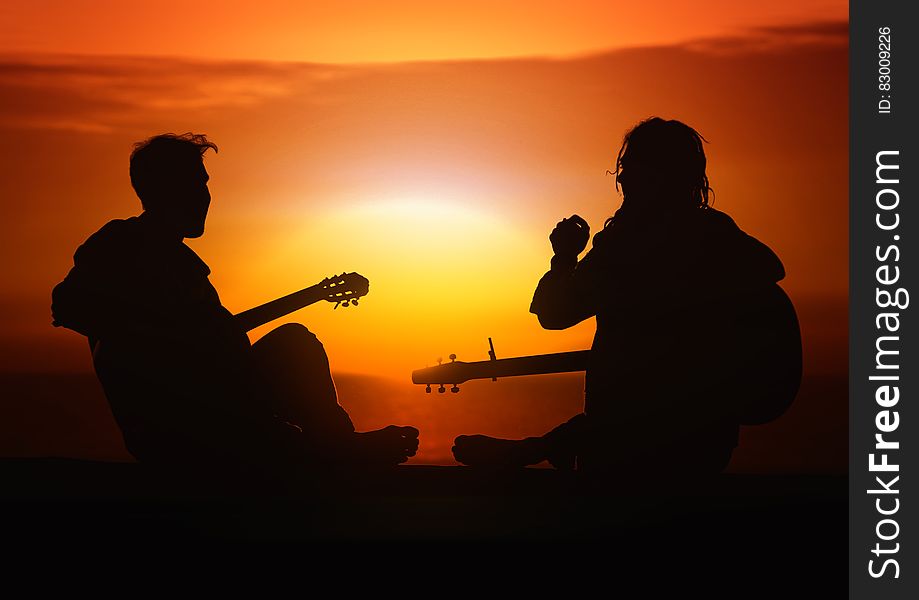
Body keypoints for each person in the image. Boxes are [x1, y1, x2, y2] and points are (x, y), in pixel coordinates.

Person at [51, 133, 418, 485]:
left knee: (295, 358)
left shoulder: (188, 268)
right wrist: (158, 337)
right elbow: (67, 306)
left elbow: (221, 350)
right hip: (173, 431)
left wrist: (199, 342)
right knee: (295, 348)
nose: (204, 196)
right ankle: (338, 446)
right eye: (193, 183)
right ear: (161, 189)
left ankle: (332, 444)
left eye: (204, 183)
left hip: (217, 418)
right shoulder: (121, 241)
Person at [452, 117, 801, 480]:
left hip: (638, 446)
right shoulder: (714, 232)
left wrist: (565, 258)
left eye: (630, 167)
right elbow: (769, 267)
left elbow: (555, 315)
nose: (621, 177)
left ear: (654, 175)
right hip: (705, 443)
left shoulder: (627, 246)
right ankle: (541, 447)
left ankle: (535, 449)